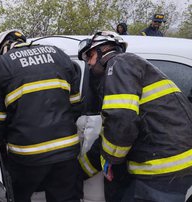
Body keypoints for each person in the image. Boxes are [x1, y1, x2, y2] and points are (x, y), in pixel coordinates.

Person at [77, 30, 192, 201]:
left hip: (161, 169)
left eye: (89, 56)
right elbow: (112, 124)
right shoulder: (131, 66)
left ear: (103, 50)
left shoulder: (118, 64)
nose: (89, 64)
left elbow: (121, 119)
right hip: (172, 165)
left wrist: (111, 161)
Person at [0, 29, 83, 202]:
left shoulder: (1, 66)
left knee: (19, 196)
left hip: (26, 155)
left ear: (2, 49)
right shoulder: (59, 55)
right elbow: (76, 105)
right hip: (66, 152)